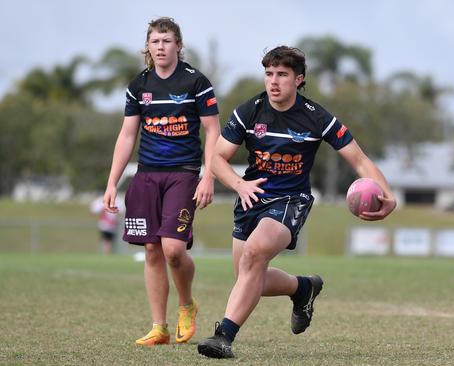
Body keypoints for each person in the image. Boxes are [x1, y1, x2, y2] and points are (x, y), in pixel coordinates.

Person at [197, 45, 396, 359]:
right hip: (251, 197)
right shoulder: (249, 111)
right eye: (269, 74)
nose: (274, 81)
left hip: (291, 200)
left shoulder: (316, 117)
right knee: (249, 279)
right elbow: (217, 158)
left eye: (282, 75)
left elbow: (359, 160)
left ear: (298, 79)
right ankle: (302, 288)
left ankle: (223, 336)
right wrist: (239, 185)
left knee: (253, 255)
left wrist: (389, 195)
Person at [102, 17, 220, 346]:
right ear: (148, 47)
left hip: (183, 174)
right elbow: (127, 135)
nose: (161, 47)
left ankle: (186, 305)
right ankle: (159, 327)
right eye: (155, 41)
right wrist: (112, 182)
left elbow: (213, 131)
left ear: (179, 46)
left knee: (173, 250)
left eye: (167, 41)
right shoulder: (139, 85)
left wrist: (208, 175)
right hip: (146, 176)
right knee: (152, 250)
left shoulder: (196, 82)